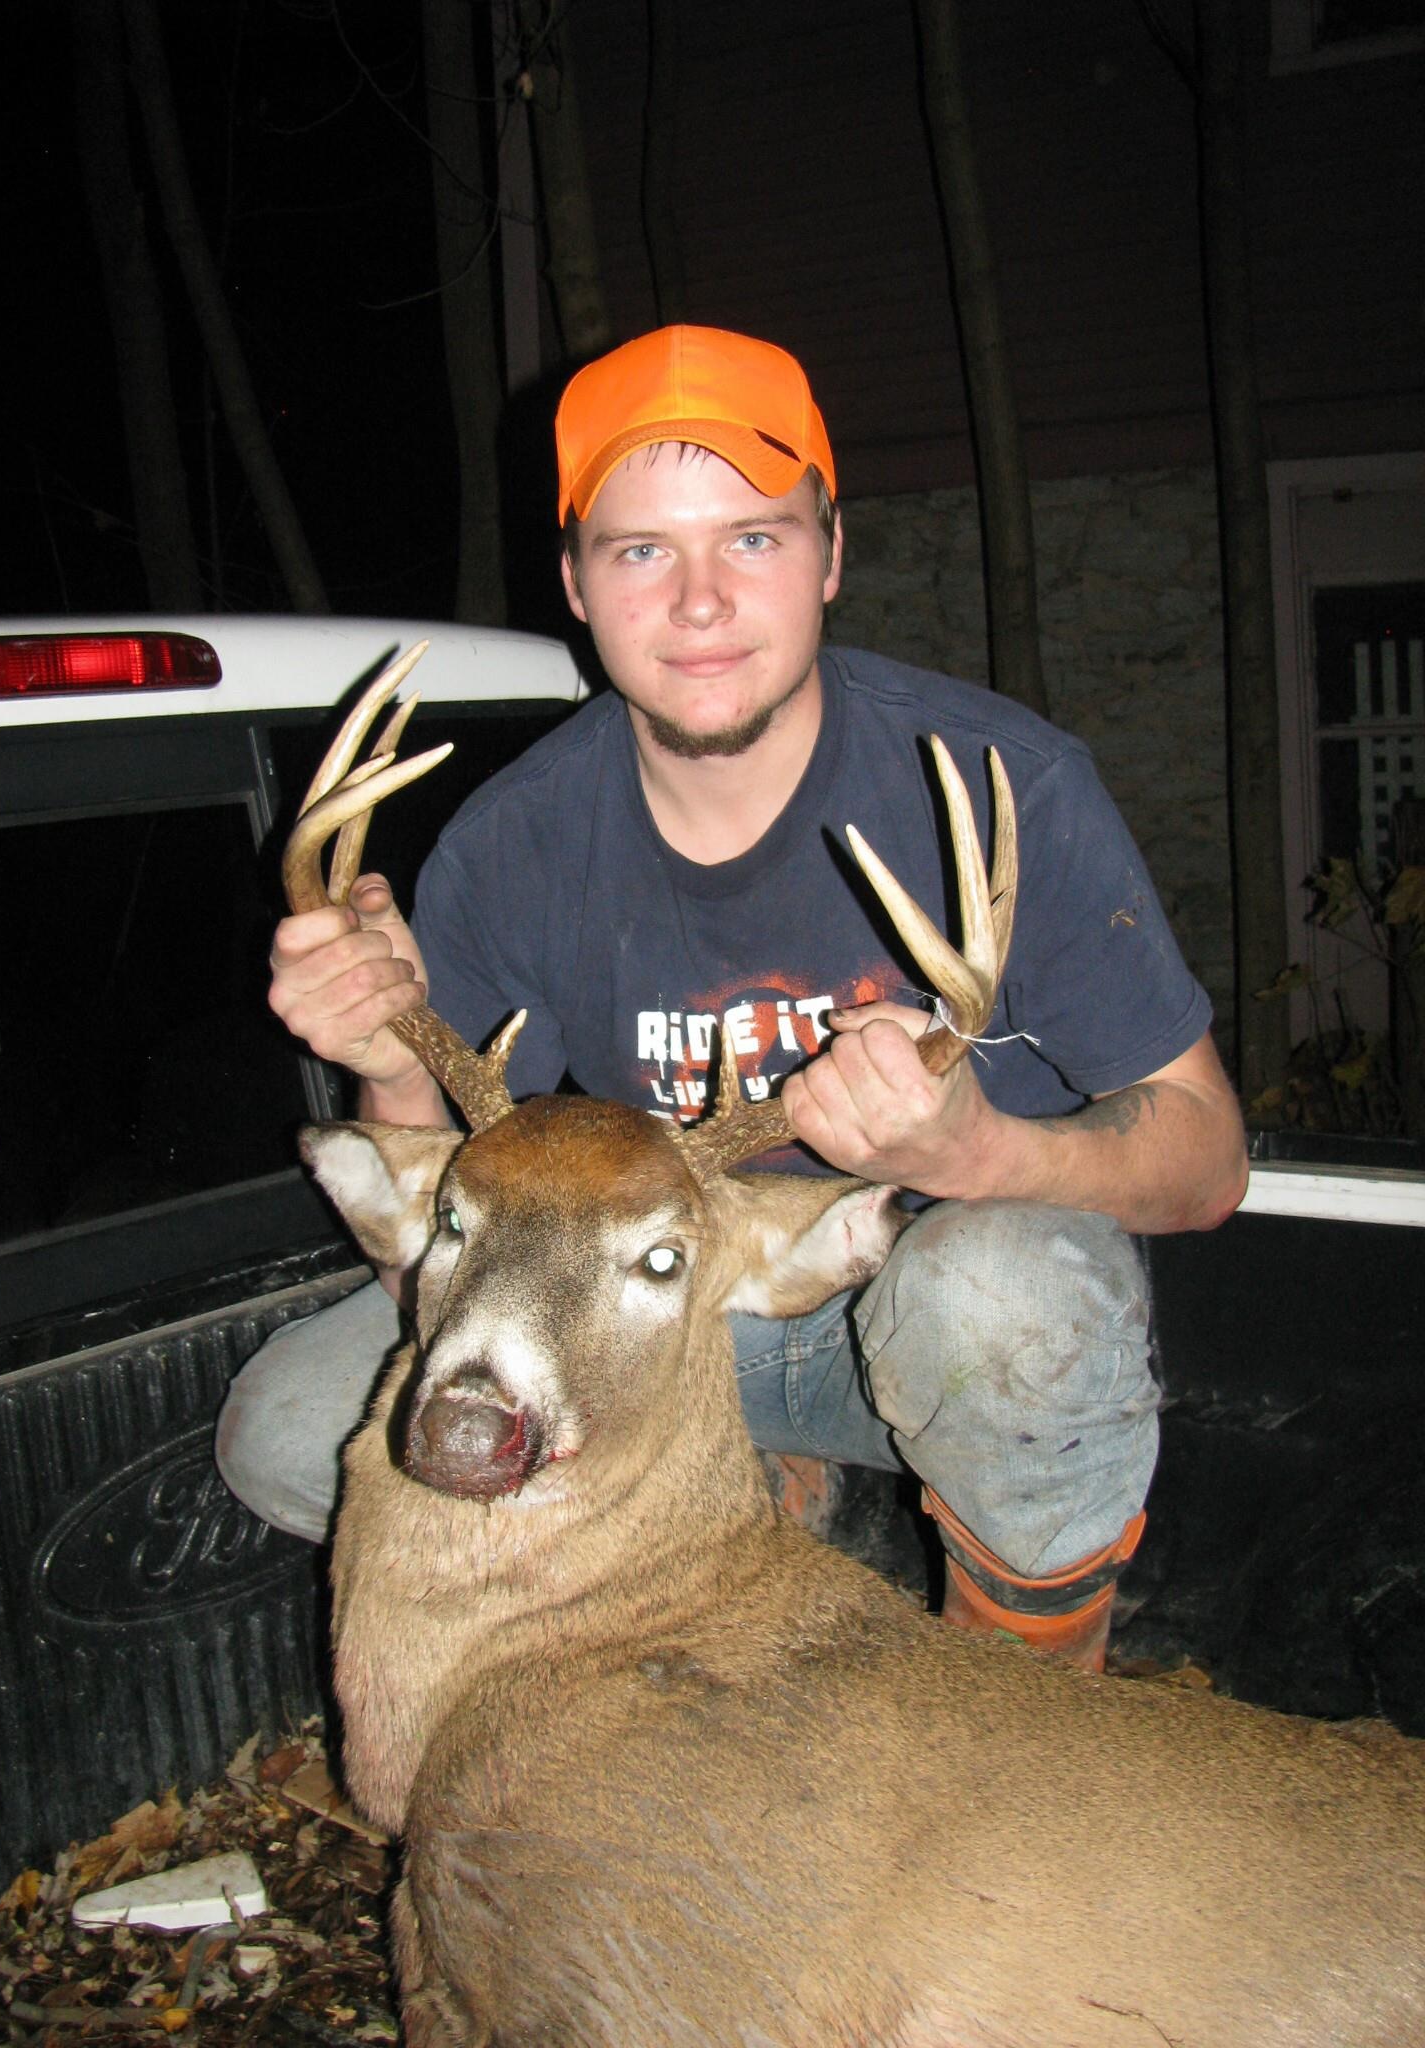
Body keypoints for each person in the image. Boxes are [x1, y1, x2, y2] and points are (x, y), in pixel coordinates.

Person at [218, 324, 1248, 1669]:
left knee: (1000, 1295)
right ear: (576, 582)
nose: (700, 602)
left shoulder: (1004, 791)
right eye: (641, 551)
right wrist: (393, 1064)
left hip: (950, 1332)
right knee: (294, 1431)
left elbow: (1209, 1162)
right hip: (669, 1326)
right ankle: (727, 1553)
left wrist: (978, 1153)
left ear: (831, 555)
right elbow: (441, 1249)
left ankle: (1023, 1696)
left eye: (753, 539)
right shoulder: (512, 843)